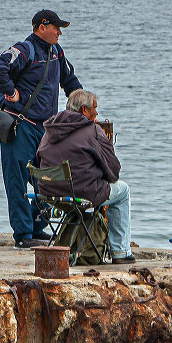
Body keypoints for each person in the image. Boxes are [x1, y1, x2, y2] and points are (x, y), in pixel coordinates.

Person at [0, 9, 82, 248]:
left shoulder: (57, 52)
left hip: (45, 130)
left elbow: (70, 82)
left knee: (49, 182)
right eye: (56, 28)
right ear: (42, 27)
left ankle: (37, 228)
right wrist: (10, 92)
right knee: (17, 181)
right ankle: (23, 236)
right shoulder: (24, 50)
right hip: (19, 127)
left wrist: (84, 108)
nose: (60, 32)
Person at [36, 90, 134, 264]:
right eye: (94, 108)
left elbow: (38, 160)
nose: (96, 113)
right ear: (84, 110)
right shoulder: (93, 130)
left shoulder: (49, 130)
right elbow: (114, 171)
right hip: (83, 195)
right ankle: (120, 252)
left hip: (51, 196)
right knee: (123, 190)